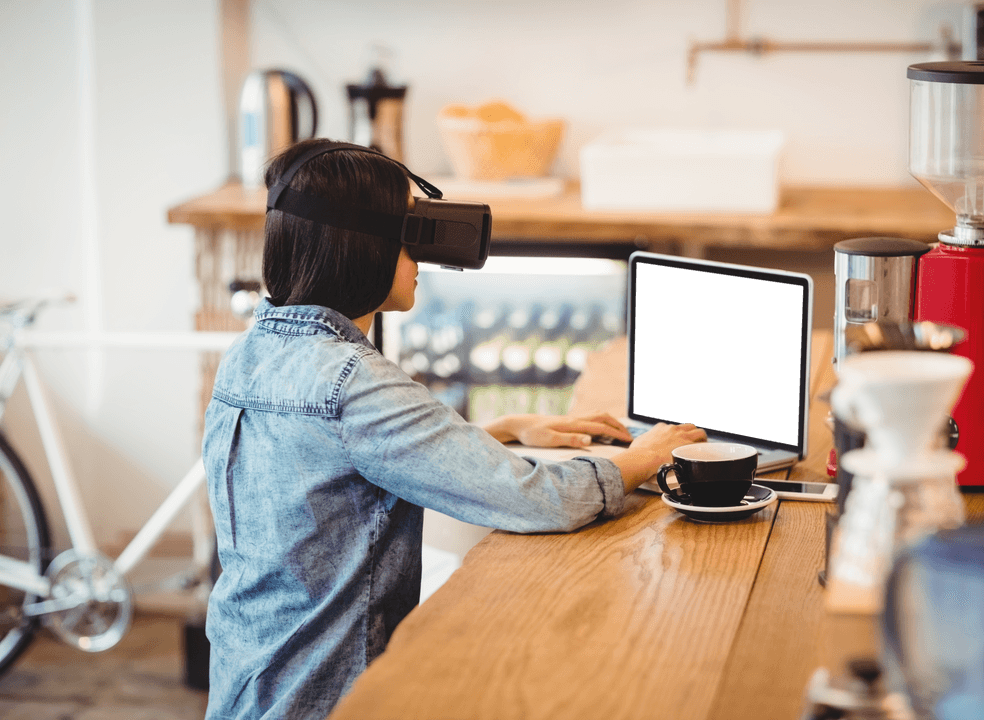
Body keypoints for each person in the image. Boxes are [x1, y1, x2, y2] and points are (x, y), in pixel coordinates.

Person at [201, 138, 706, 719]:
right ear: (364, 248)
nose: (423, 256)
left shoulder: (249, 354)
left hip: (247, 689)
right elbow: (540, 500)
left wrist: (503, 429)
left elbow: (347, 456)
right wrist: (645, 454)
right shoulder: (353, 383)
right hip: (329, 701)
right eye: (410, 232)